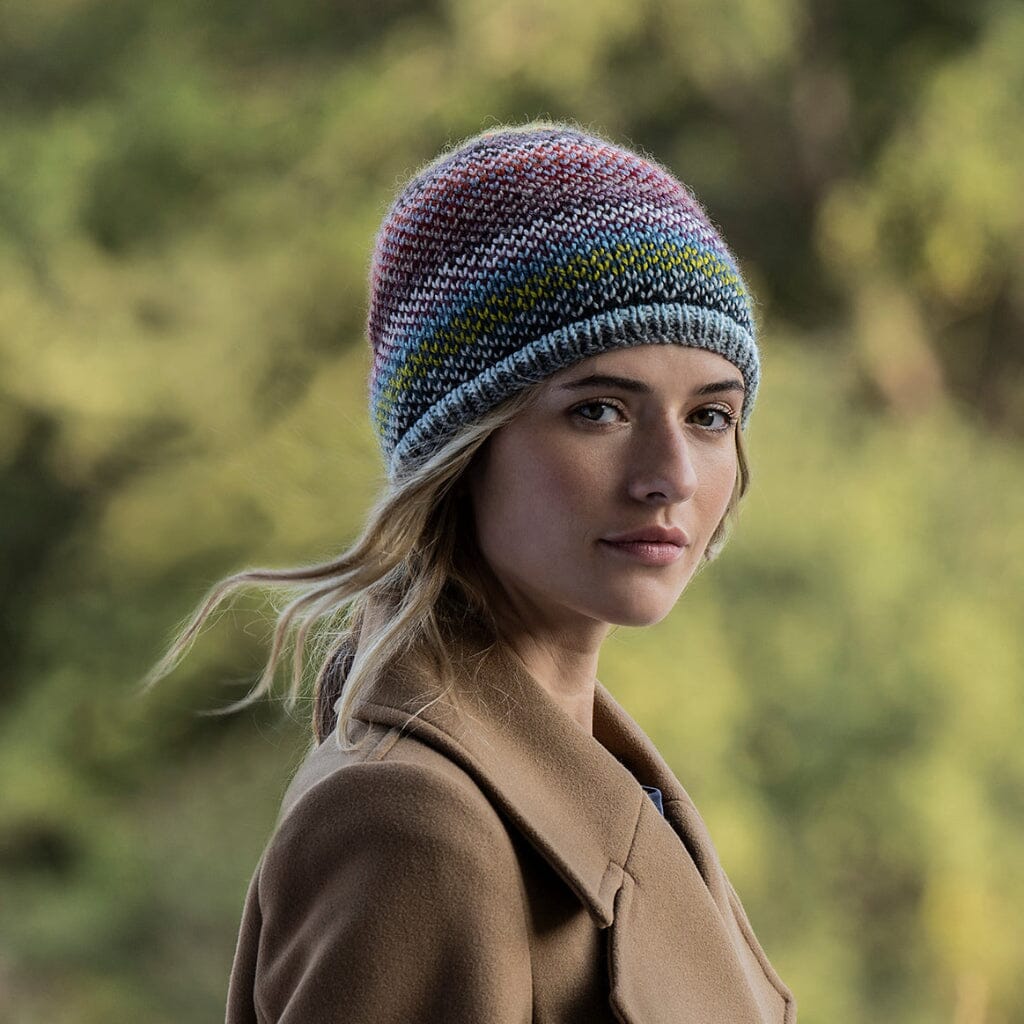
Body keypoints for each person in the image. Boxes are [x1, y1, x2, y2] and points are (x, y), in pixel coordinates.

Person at [145, 120, 797, 1022]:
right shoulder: (412, 824)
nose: (672, 477)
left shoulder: (607, 782)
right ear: (462, 447)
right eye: (601, 409)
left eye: (711, 416)